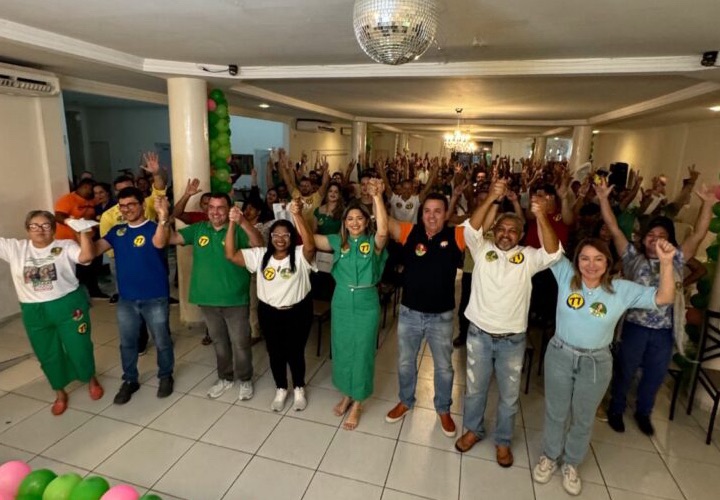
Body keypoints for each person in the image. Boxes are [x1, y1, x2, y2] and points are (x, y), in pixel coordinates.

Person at [532, 238, 677, 495]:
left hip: (596, 362)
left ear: (608, 262)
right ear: (576, 262)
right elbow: (551, 246)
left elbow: (664, 297)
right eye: (585, 258)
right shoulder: (566, 275)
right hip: (560, 355)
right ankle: (550, 456)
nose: (591, 265)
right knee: (556, 412)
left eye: (598, 259)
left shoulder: (621, 289)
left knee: (584, 417)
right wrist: (541, 211)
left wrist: (666, 263)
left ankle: (572, 463)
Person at [456, 178, 562, 467]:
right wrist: (491, 197)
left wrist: (540, 215)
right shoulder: (481, 249)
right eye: (501, 229)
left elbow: (553, 252)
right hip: (478, 334)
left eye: (512, 230)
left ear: (520, 234)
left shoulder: (528, 257)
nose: (505, 234)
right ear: (494, 231)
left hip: (512, 340)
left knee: (509, 396)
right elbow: (468, 228)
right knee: (475, 390)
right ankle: (472, 430)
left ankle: (503, 442)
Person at [597, 178, 716, 435]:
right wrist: (604, 199)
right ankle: (616, 409)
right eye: (651, 235)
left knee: (655, 373)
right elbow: (613, 228)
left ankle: (643, 413)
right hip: (634, 327)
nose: (655, 240)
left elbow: (698, 234)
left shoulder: (676, 259)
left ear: (670, 241)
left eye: (662, 236)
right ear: (643, 239)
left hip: (663, 330)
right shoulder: (631, 258)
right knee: (625, 370)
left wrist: (707, 204)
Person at [0, 211, 104, 415]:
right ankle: (59, 391)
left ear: (54, 229)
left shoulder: (65, 246)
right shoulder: (15, 248)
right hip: (34, 310)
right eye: (34, 226)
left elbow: (86, 256)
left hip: (68, 305)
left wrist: (83, 231)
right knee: (47, 352)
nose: (40, 230)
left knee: (79, 346)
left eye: (46, 225)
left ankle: (90, 378)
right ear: (27, 229)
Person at [383, 193, 467, 438]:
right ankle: (405, 401)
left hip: (441, 317)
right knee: (405, 362)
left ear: (446, 213)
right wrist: (378, 197)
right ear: (421, 214)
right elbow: (386, 223)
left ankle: (443, 409)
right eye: (427, 210)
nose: (431, 215)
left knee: (444, 368)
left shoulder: (456, 236)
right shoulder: (411, 232)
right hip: (410, 313)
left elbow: (479, 223)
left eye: (437, 211)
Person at [168, 191, 262, 401]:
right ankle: (225, 378)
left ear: (229, 209)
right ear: (206, 210)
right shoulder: (199, 229)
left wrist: (243, 221)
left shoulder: (237, 229)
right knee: (219, 342)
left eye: (220, 207)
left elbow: (259, 244)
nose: (215, 212)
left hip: (235, 299)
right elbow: (172, 238)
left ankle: (245, 379)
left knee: (241, 343)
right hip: (207, 299)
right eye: (211, 207)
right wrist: (164, 217)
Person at [226, 199, 317, 411]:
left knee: (295, 352)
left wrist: (297, 215)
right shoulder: (260, 256)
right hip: (269, 313)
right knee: (275, 352)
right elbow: (230, 254)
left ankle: (299, 388)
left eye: (286, 235)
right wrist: (233, 223)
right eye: (276, 235)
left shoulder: (300, 255)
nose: (280, 239)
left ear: (292, 238)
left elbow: (311, 245)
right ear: (270, 237)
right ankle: (281, 388)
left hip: (298, 312)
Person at [313, 178, 388, 430]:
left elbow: (384, 232)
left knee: (363, 351)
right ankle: (346, 393)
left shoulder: (372, 242)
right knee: (343, 348)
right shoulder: (338, 241)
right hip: (342, 300)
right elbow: (312, 240)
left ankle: (358, 401)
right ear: (344, 223)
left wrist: (377, 196)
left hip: (366, 302)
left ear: (366, 221)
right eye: (350, 219)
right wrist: (296, 215)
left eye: (359, 218)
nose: (354, 223)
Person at [94, 187, 174, 405]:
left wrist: (163, 215)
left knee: (162, 341)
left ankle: (165, 375)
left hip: (155, 297)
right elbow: (92, 252)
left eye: (131, 204)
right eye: (122, 205)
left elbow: (159, 243)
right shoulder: (117, 232)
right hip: (127, 299)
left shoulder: (154, 228)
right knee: (127, 343)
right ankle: (130, 380)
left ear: (141, 205)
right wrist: (82, 231)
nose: (126, 209)